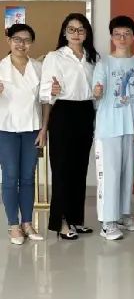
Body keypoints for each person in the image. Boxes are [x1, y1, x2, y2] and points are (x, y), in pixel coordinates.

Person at [40, 13, 99, 240]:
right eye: (71, 29)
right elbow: (45, 91)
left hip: (86, 112)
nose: (76, 33)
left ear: (86, 33)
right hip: (63, 112)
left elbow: (96, 89)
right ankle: (61, 222)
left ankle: (76, 219)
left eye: (80, 29)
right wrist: (51, 91)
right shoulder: (55, 57)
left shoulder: (93, 58)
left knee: (80, 168)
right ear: (64, 32)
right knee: (62, 169)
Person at [92, 16, 134, 241]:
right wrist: (97, 92)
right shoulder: (103, 64)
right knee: (110, 176)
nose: (122, 38)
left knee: (128, 174)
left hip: (132, 129)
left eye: (126, 34)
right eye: (117, 34)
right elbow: (96, 94)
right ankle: (108, 222)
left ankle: (124, 215)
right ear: (111, 37)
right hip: (109, 129)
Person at [0, 24, 45, 244]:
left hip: (32, 128)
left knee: (28, 177)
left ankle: (27, 223)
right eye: (17, 39)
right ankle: (13, 225)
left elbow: (45, 100)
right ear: (9, 40)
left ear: (31, 43)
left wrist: (44, 129)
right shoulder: (1, 68)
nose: (21, 44)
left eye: (27, 40)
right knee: (10, 177)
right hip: (6, 129)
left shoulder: (38, 68)